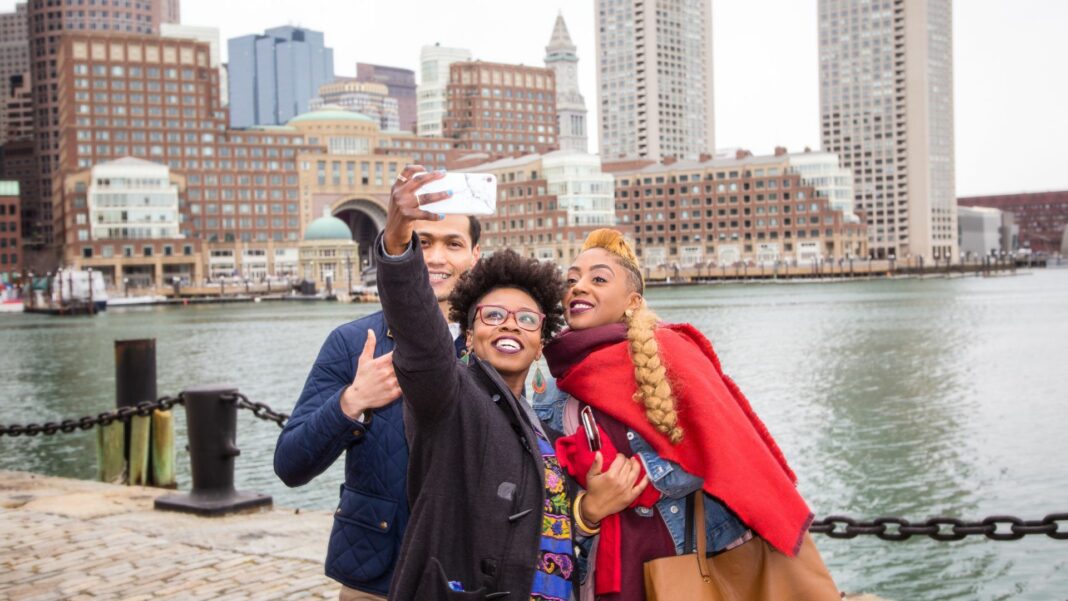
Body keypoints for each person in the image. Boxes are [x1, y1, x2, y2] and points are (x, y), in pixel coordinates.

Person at [376, 167, 644, 600]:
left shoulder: (541, 426)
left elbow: (541, 535)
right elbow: (421, 338)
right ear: (469, 334)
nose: (511, 326)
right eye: (494, 315)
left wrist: (589, 510)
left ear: (540, 344)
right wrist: (396, 243)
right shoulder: (451, 399)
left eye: (526, 319)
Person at [536, 229, 839, 600]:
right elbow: (547, 492)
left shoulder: (670, 352)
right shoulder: (553, 383)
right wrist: (590, 509)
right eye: (571, 279)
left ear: (632, 300)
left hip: (688, 554)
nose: (578, 287)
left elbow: (725, 448)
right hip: (599, 573)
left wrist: (641, 478)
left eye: (598, 278)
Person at [274, 198, 482, 600]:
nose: (435, 258)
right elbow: (290, 464)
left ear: (475, 254)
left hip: (471, 570)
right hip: (377, 571)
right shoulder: (352, 343)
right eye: (422, 242)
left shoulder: (501, 344)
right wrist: (352, 402)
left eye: (453, 244)